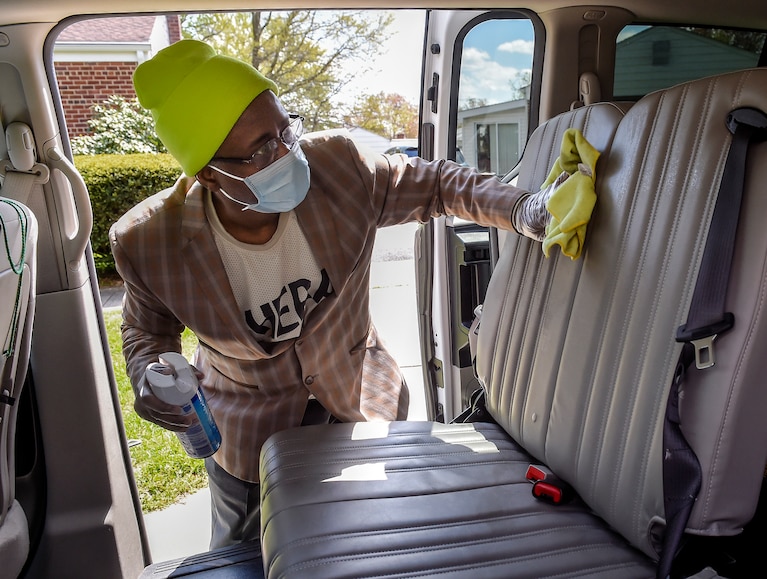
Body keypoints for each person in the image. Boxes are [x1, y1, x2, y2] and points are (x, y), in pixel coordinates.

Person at [109, 39, 556, 550]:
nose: (285, 154)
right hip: (246, 428)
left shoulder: (338, 168)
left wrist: (523, 208)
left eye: (285, 131)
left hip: (358, 395)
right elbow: (146, 329)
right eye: (259, 151)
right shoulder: (149, 241)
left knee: (372, 538)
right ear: (211, 174)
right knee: (243, 552)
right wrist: (148, 374)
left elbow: (436, 184)